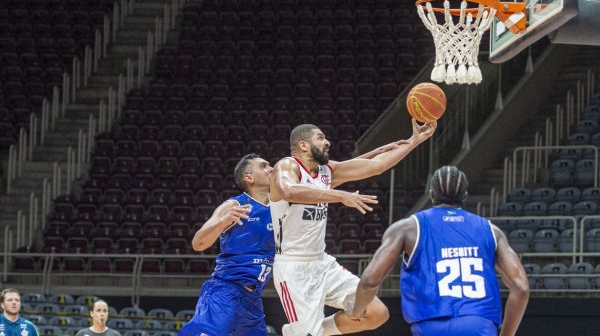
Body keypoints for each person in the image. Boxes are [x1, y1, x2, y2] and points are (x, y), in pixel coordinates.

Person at [270, 119, 436, 336]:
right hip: (294, 267)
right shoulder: (287, 166)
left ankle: (301, 333)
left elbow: (377, 166)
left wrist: (415, 140)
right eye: (320, 137)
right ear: (303, 145)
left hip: (322, 262)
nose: (327, 142)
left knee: (376, 312)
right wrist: (341, 196)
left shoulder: (326, 171)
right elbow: (289, 191)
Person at [351, 166, 529, 336]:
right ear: (465, 196)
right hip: (479, 325)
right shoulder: (492, 231)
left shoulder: (407, 228)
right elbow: (521, 289)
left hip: (431, 325)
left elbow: (370, 281)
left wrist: (357, 314)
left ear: (431, 195)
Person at [179, 153, 275, 336]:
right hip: (225, 291)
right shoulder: (235, 204)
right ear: (249, 177)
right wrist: (223, 221)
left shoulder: (279, 207)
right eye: (264, 166)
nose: (271, 168)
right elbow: (198, 243)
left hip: (253, 299)